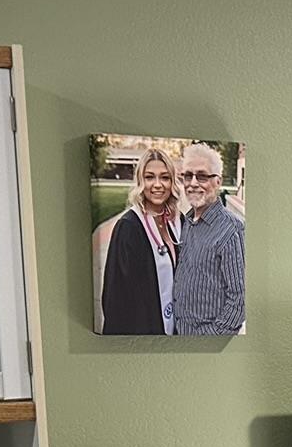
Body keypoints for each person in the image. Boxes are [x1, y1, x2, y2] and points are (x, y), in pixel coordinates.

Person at [98, 149, 179, 334]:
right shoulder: (128, 228)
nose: (158, 184)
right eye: (150, 177)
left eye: (165, 177)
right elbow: (114, 299)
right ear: (140, 182)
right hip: (143, 335)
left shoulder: (175, 222)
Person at [172, 143, 246, 335]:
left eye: (202, 176)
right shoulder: (187, 221)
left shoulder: (230, 231)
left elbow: (240, 299)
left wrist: (212, 338)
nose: (193, 183)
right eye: (188, 175)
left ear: (218, 182)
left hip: (205, 344)